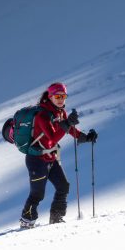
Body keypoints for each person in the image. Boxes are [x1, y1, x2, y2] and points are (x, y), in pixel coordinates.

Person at [20, 82, 98, 228]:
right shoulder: (42, 115)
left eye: (63, 96)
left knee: (63, 186)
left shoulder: (60, 112)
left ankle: (56, 219)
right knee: (37, 194)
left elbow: (69, 130)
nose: (61, 99)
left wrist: (85, 137)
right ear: (50, 97)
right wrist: (67, 123)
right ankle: (26, 221)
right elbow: (52, 137)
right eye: (57, 96)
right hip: (36, 159)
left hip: (50, 157)